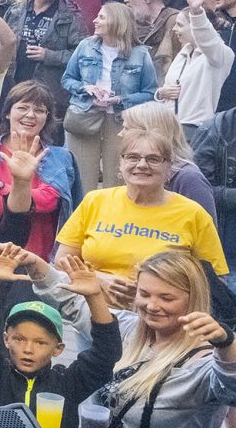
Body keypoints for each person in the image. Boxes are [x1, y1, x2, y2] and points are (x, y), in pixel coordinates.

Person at [89, 247, 235, 428]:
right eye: (144, 294)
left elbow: (230, 385)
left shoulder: (199, 362)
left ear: (193, 299)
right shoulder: (130, 330)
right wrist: (39, 268)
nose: (152, 306)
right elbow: (76, 307)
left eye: (167, 298)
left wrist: (226, 345)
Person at [55, 112, 228, 310]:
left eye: (153, 159)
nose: (142, 165)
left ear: (169, 167)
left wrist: (157, 292)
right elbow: (61, 261)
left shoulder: (193, 214)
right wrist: (97, 279)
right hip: (92, 309)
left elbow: (215, 280)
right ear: (120, 164)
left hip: (161, 319)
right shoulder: (95, 201)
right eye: (132, 157)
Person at [0, 243, 118, 427]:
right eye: (19, 339)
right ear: (6, 339)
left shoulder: (67, 384)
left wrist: (94, 296)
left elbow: (106, 354)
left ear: (58, 348)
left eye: (40, 343)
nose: (28, 350)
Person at [0, 81, 78, 260]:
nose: (30, 115)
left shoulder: (60, 156)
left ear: (47, 117)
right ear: (8, 112)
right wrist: (24, 198)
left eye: (39, 110)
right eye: (22, 107)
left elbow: (49, 201)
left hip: (37, 255)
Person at [63, 2, 154, 189]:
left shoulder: (140, 53)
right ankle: (84, 217)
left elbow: (151, 92)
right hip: (85, 116)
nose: (95, 20)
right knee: (82, 179)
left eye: (102, 17)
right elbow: (67, 79)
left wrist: (121, 99)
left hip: (122, 121)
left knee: (119, 178)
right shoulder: (85, 46)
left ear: (117, 21)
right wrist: (86, 88)